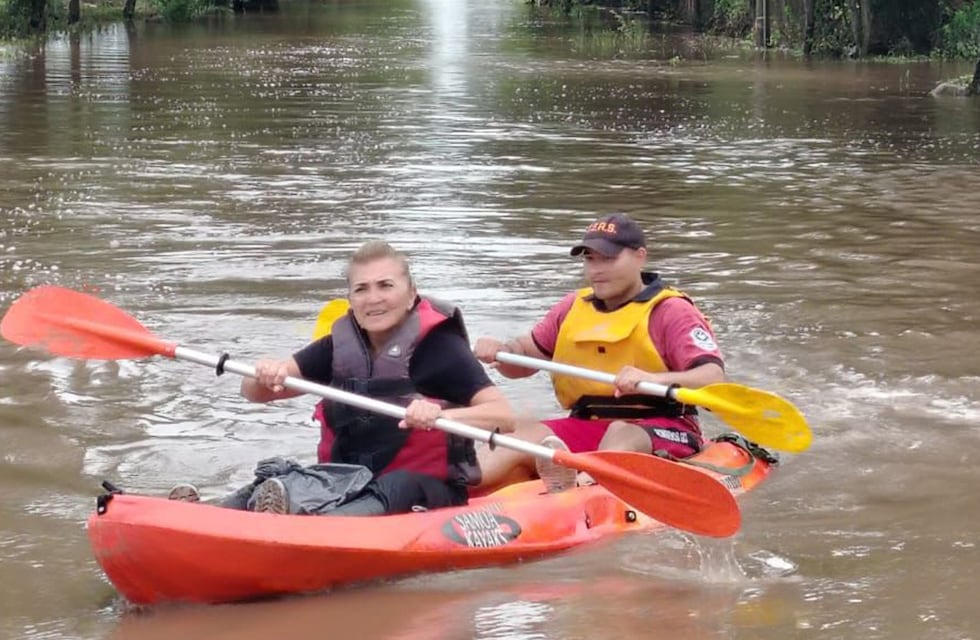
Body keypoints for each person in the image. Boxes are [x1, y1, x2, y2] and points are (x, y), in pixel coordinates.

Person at [173, 240, 515, 515]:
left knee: (396, 484)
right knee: (281, 475)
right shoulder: (338, 346)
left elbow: (503, 417)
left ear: (411, 294)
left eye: (385, 285)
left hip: (426, 493)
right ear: (350, 299)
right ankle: (206, 517)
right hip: (348, 484)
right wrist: (265, 374)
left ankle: (303, 530)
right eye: (361, 289)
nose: (374, 298)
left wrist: (443, 415)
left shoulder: (440, 348)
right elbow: (255, 394)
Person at [472, 213, 725, 493]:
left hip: (664, 426)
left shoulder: (671, 311)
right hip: (587, 424)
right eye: (590, 259)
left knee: (621, 433)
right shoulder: (572, 307)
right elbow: (522, 361)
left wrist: (656, 380)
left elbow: (713, 378)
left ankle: (581, 487)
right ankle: (457, 489)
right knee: (518, 438)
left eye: (608, 258)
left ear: (640, 257)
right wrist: (502, 351)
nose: (596, 270)